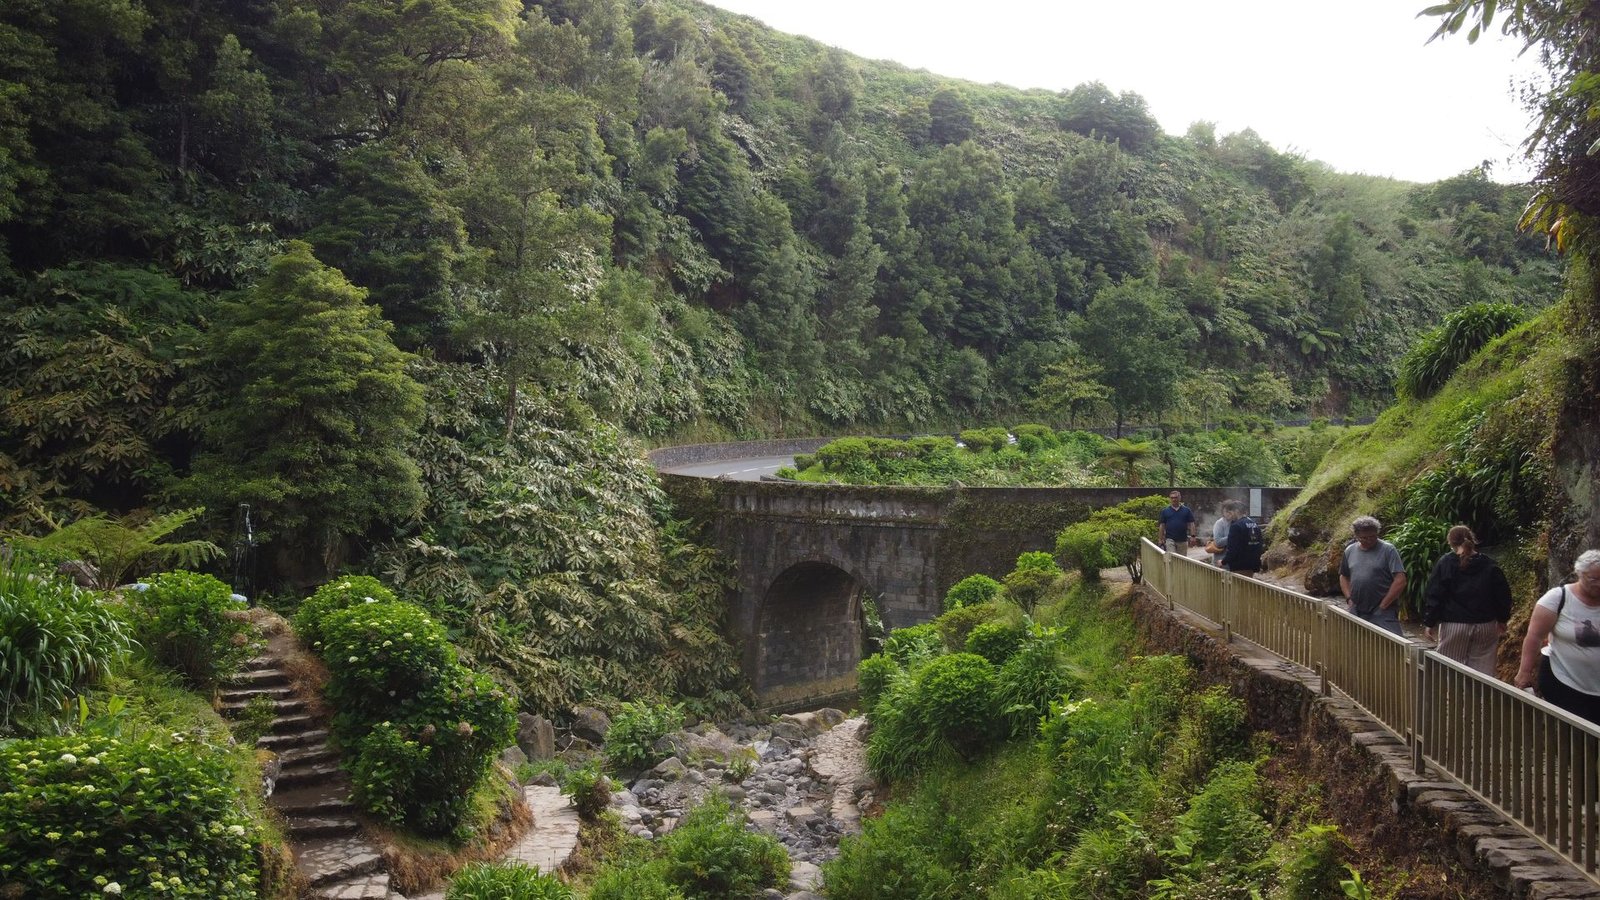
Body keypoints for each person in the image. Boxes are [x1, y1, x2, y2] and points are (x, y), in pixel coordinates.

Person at [1514, 550, 1600, 723]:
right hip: (1565, 680)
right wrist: (1524, 672)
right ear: (1579, 574)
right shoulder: (1558, 598)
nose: (1599, 584)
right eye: (1593, 579)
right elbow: (1534, 637)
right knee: (1576, 733)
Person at [1421, 525, 1511, 676]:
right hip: (1486, 625)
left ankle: (1451, 698)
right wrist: (1502, 618)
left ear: (1450, 543)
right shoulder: (1489, 564)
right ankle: (1477, 699)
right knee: (1482, 672)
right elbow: (1502, 594)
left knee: (1447, 668)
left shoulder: (1446, 563)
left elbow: (1435, 593)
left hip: (1455, 624)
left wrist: (1429, 622)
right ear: (1472, 539)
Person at [1339, 516, 1407, 636]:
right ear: (1356, 536)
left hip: (1384, 610)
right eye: (1364, 538)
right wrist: (1349, 599)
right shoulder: (1350, 551)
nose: (1369, 540)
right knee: (1358, 643)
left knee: (1393, 644)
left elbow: (1400, 579)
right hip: (1357, 608)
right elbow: (1344, 576)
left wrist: (1383, 605)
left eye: (1373, 536)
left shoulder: (1388, 550)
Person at [1220, 500, 1263, 577]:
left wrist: (1223, 561)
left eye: (1231, 512)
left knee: (1238, 588)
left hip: (1239, 566)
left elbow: (1233, 549)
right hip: (1253, 564)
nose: (1230, 514)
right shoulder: (1254, 524)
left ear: (1236, 511)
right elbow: (1260, 544)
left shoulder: (1236, 526)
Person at [1159, 490, 1196, 555]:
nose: (1174, 499)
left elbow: (1192, 523)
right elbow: (1162, 525)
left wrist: (1193, 536)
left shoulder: (1186, 510)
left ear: (1179, 498)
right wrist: (1160, 538)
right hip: (1170, 539)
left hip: (1183, 540)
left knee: (1182, 560)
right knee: (1172, 558)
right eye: (1172, 498)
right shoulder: (1165, 511)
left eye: (1175, 497)